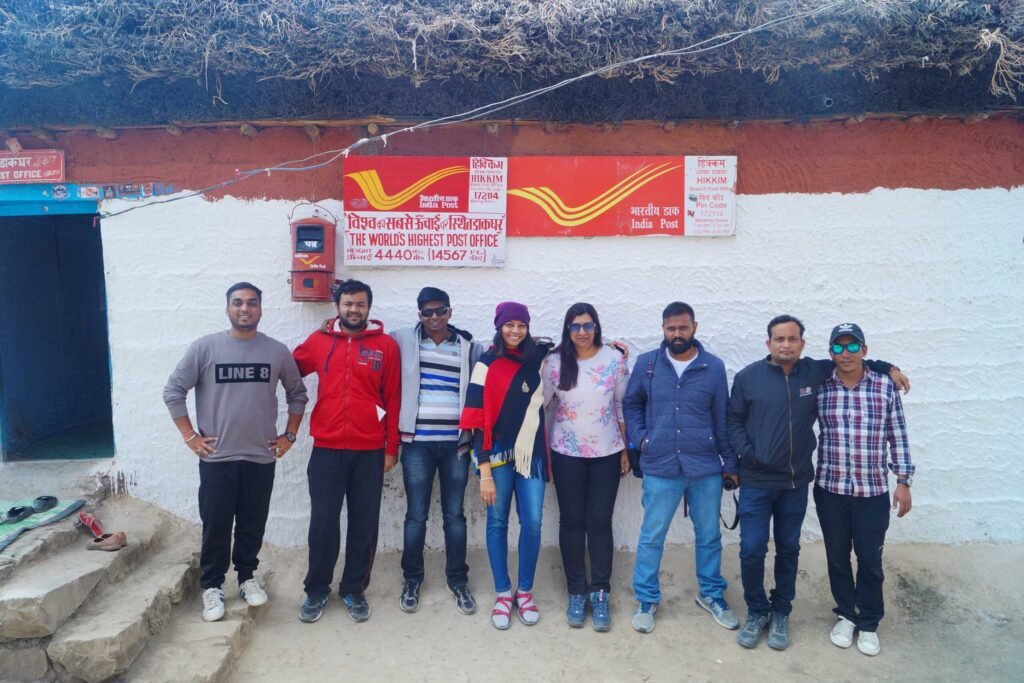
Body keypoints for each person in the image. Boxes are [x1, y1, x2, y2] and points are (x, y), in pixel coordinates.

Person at [727, 315, 909, 650]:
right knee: (752, 549)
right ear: (768, 343)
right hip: (762, 481)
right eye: (779, 339)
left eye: (792, 339)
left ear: (802, 344)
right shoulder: (750, 378)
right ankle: (758, 611)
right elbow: (733, 421)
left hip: (798, 483)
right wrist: (749, 456)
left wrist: (889, 367)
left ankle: (784, 611)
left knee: (792, 549)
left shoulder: (816, 373)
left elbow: (856, 363)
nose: (786, 345)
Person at [163, 282, 307, 622]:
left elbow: (297, 394)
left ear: (260, 309)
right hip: (218, 458)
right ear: (227, 308)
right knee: (216, 523)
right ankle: (212, 585)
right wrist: (190, 436)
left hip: (260, 456)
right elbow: (173, 391)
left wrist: (290, 435)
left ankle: (246, 577)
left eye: (252, 303)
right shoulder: (205, 348)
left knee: (252, 523)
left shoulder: (276, 351)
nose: (245, 308)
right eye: (238, 302)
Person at [623, 301, 738, 634]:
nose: (677, 333)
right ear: (663, 329)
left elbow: (722, 416)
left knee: (709, 535)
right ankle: (647, 598)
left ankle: (711, 594)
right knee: (652, 535)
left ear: (694, 327)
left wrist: (730, 462)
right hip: (660, 464)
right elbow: (631, 403)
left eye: (683, 327)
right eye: (671, 328)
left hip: (704, 466)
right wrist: (642, 440)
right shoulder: (647, 364)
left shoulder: (712, 367)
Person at [293, 279, 401, 624]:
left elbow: (393, 398)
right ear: (337, 306)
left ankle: (354, 588)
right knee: (323, 522)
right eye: (348, 304)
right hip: (326, 448)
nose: (354, 310)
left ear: (369, 308)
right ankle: (316, 589)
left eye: (360, 304)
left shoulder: (385, 346)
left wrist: (391, 446)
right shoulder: (319, 341)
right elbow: (289, 371)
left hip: (370, 449)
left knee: (364, 524)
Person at [815, 322, 915, 657]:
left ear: (864, 350)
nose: (846, 353)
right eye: (838, 347)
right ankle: (846, 614)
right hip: (830, 489)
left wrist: (903, 481)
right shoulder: (821, 386)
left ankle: (869, 622)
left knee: (870, 559)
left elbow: (897, 435)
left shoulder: (884, 387)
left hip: (871, 492)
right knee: (837, 557)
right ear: (831, 353)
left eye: (852, 346)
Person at [460, 301, 553, 630]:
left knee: (533, 522)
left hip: (531, 453)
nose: (515, 330)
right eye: (509, 324)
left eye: (521, 325)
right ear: (499, 326)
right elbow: (475, 418)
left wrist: (617, 350)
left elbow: (575, 350)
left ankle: (524, 592)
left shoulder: (539, 357)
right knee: (497, 521)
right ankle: (502, 593)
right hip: (496, 454)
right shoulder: (486, 363)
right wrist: (484, 471)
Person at [392, 286, 480, 616]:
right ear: (419, 315)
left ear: (449, 312)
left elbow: (502, 357)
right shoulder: (404, 339)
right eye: (427, 312)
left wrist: (539, 348)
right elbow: (367, 334)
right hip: (417, 444)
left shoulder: (468, 346)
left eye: (440, 310)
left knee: (454, 516)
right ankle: (412, 580)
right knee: (416, 516)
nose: (434, 317)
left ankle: (458, 580)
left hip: (457, 445)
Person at [542, 302, 630, 631]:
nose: (582, 332)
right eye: (575, 326)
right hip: (566, 452)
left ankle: (600, 592)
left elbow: (621, 405)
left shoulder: (614, 359)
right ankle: (577, 592)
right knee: (572, 521)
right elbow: (542, 405)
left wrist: (625, 448)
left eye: (588, 325)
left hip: (607, 452)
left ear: (596, 327)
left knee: (600, 521)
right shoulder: (553, 362)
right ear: (568, 329)